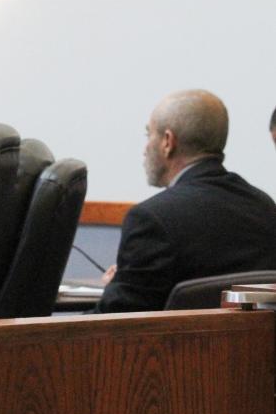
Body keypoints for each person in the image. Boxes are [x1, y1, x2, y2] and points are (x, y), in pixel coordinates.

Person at [94, 90, 276, 313]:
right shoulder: (265, 207)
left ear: (168, 142)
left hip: (168, 348)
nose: (145, 149)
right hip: (251, 348)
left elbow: (115, 321)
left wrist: (114, 288)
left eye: (148, 134)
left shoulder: (150, 219)